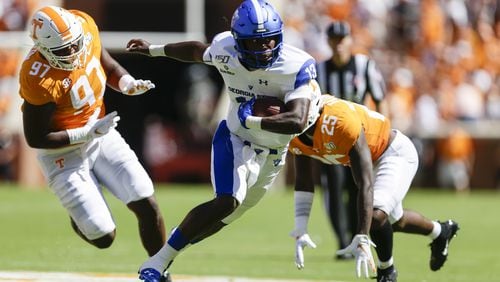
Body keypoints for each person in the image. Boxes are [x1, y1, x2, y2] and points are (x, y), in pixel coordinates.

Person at [126, 0, 321, 281]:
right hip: (235, 137)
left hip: (274, 151)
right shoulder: (224, 49)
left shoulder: (296, 65)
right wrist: (154, 50)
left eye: (268, 42)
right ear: (239, 41)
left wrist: (252, 119)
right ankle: (157, 262)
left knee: (222, 219)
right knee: (227, 201)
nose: (264, 49)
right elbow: (196, 51)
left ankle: (179, 236)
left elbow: (297, 120)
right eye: (255, 43)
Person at [18, 4, 167, 271]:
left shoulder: (83, 25)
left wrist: (126, 83)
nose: (74, 53)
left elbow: (105, 63)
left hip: (101, 132)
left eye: (75, 45)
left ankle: (159, 271)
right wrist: (85, 133)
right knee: (103, 237)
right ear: (43, 49)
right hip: (62, 153)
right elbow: (36, 137)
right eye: (64, 50)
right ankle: (82, 213)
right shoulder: (37, 76)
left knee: (145, 199)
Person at [288, 94, 459, 281]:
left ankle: (386, 271)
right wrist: (301, 228)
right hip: (369, 160)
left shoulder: (339, 121)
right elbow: (304, 181)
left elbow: (365, 183)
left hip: (392, 152)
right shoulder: (296, 133)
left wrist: (361, 236)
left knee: (376, 216)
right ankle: (440, 231)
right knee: (395, 222)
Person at [315, 20, 389, 259]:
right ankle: (342, 241)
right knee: (333, 190)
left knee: (358, 187)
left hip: (360, 139)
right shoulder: (319, 70)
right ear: (328, 42)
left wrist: (382, 137)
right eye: (334, 39)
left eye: (342, 39)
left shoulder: (364, 65)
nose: (338, 44)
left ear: (349, 41)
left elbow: (379, 100)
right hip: (329, 141)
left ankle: (357, 237)